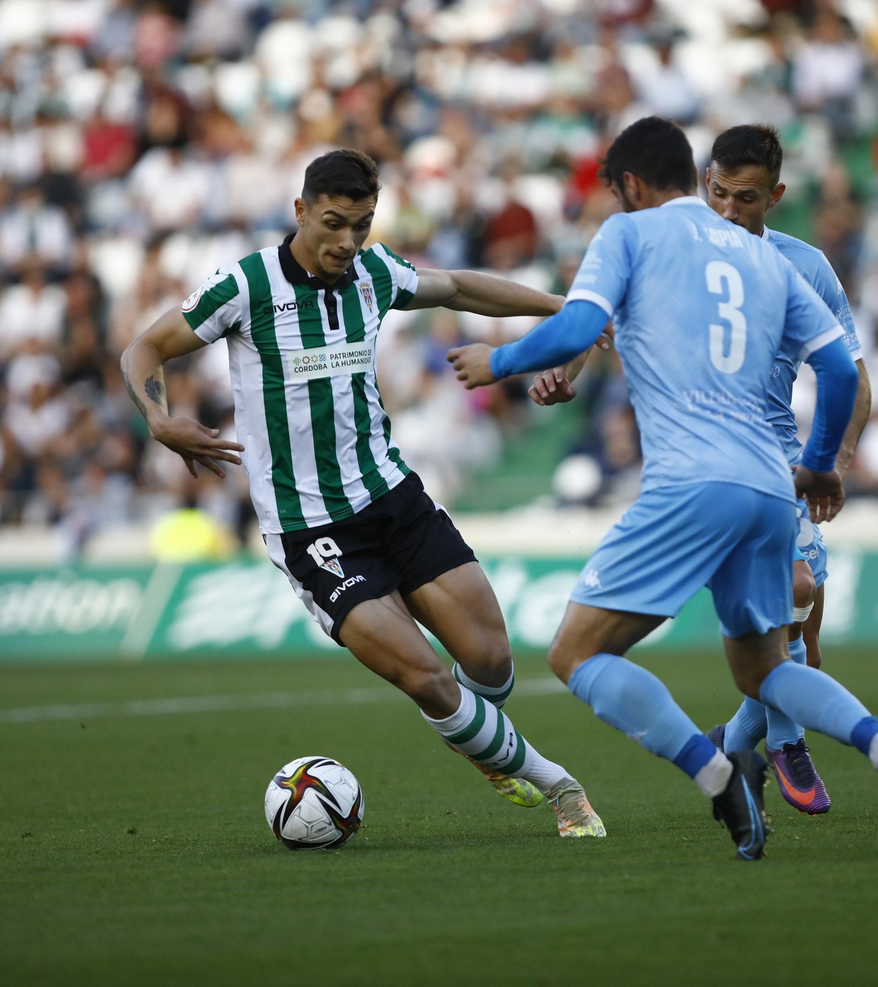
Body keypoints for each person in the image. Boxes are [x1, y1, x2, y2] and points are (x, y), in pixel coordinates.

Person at [448, 118, 878, 859]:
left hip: (690, 482)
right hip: (771, 487)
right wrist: (820, 464)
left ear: (632, 185)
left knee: (576, 656)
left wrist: (502, 359)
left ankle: (718, 778)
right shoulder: (768, 259)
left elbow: (581, 319)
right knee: (767, 665)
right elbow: (841, 371)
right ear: (697, 176)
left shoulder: (630, 234)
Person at [120, 149, 605, 839]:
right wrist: (160, 419)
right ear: (300, 212)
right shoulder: (247, 284)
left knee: (492, 660)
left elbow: (459, 288)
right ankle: (559, 788)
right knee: (428, 678)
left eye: (362, 224)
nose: (347, 241)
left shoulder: (373, 272)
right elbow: (144, 348)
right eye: (334, 223)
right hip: (311, 527)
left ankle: (477, 738)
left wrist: (564, 309)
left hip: (393, 496)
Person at [529, 123, 874, 818]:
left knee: (799, 635)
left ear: (774, 197)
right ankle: (781, 739)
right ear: (702, 180)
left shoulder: (799, 266)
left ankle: (749, 741)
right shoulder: (670, 242)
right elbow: (599, 315)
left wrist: (831, 461)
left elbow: (851, 373)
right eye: (717, 191)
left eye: (746, 199)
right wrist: (565, 369)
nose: (727, 210)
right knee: (791, 603)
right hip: (697, 462)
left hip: (777, 463)